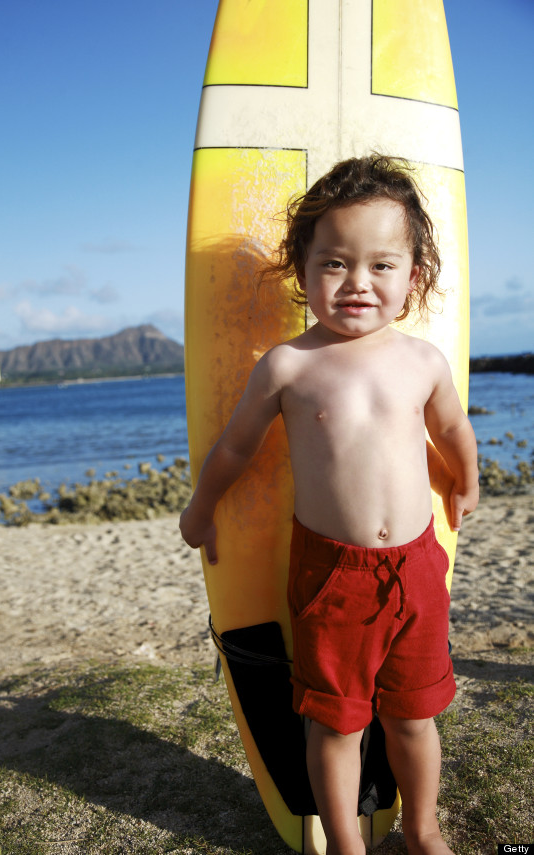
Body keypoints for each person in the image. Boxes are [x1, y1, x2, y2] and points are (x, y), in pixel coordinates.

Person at [180, 154, 479, 855]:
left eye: (381, 264)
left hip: (416, 568)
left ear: (415, 276)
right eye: (335, 263)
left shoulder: (421, 361)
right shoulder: (290, 365)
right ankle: (344, 840)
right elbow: (234, 448)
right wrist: (202, 507)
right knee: (336, 722)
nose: (357, 282)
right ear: (304, 270)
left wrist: (466, 478)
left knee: (415, 714)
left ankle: (421, 825)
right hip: (331, 576)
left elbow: (453, 429)